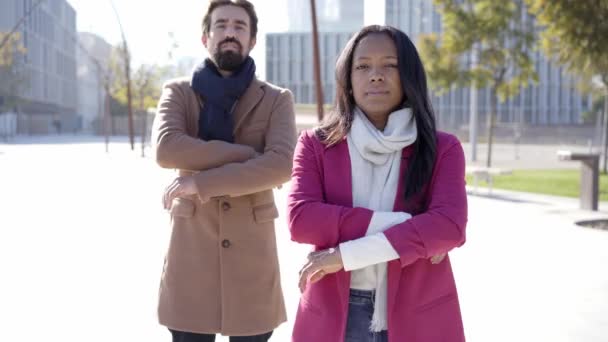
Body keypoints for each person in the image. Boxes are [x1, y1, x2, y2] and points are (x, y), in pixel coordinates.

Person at [287, 25, 468, 342]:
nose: (376, 75)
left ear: (409, 74)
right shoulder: (315, 145)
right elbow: (302, 220)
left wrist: (344, 255)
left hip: (418, 314)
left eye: (390, 65)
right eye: (363, 66)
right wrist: (409, 226)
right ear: (348, 77)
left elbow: (449, 228)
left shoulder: (443, 149)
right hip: (334, 315)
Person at [151, 1, 297, 341]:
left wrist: (200, 182)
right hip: (191, 253)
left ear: (252, 40)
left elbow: (281, 164)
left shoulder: (277, 99)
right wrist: (249, 156)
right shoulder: (178, 93)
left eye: (239, 27)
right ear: (206, 37)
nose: (230, 32)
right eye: (221, 25)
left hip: (252, 260)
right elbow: (167, 148)